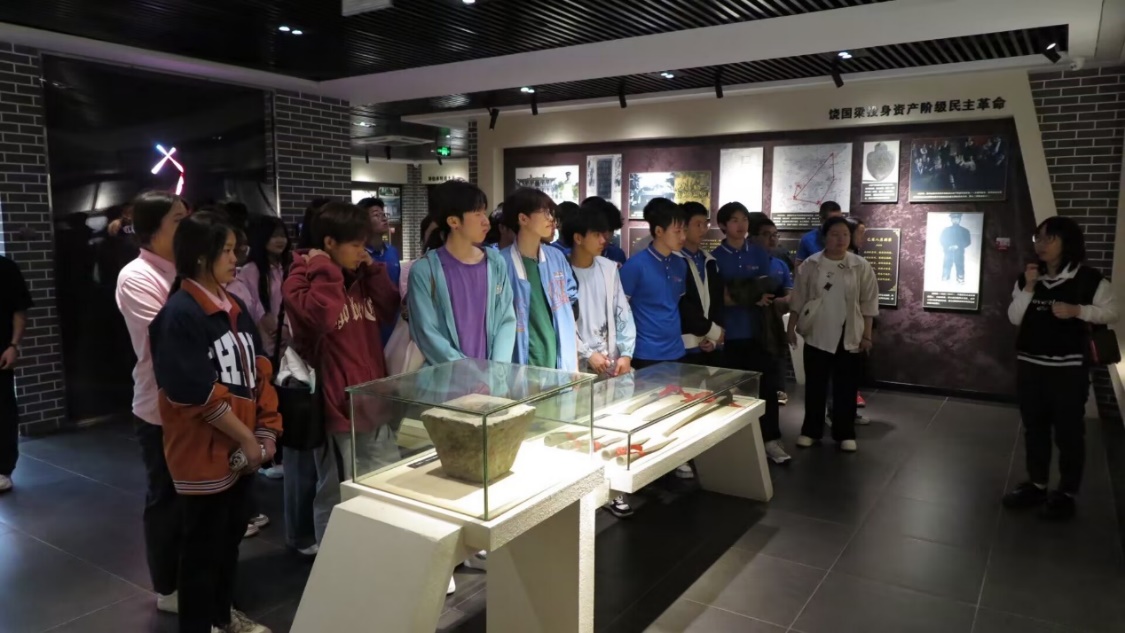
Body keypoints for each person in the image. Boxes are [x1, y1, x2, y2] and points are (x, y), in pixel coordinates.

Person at [150, 211, 281, 633]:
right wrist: (248, 438)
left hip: (239, 451)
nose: (234, 259)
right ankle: (200, 624)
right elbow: (193, 392)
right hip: (202, 454)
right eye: (226, 251)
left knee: (228, 543)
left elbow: (260, 373)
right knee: (202, 550)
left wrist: (265, 431)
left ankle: (222, 618)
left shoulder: (234, 306)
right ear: (201, 256)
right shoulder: (179, 314)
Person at [282, 201, 400, 548]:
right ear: (329, 243)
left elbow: (389, 308)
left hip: (372, 397)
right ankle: (331, 562)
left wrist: (373, 271)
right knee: (336, 489)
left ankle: (378, 549)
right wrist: (323, 268)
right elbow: (321, 317)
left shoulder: (360, 273)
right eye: (355, 244)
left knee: (383, 478)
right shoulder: (300, 277)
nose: (362, 252)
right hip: (334, 403)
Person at [1004, 216, 1118, 521]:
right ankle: (1037, 484)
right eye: (1038, 238)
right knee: (1034, 428)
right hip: (1030, 366)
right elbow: (1014, 317)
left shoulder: (1089, 279)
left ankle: (1066, 492)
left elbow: (1113, 311)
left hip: (1069, 369)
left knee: (1069, 432)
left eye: (1049, 238)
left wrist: (1078, 311)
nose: (1041, 245)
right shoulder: (1028, 277)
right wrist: (1029, 287)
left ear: (1067, 242)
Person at [115, 190, 189, 614]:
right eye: (178, 220)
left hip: (198, 403)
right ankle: (169, 587)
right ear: (151, 229)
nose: (187, 227)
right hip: (160, 407)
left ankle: (198, 574)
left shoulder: (189, 269)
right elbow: (167, 341)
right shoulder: (136, 276)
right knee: (166, 498)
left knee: (197, 497)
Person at [787, 216, 879, 453]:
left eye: (845, 234)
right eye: (835, 234)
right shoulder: (811, 264)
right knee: (815, 386)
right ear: (824, 237)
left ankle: (845, 433)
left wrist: (867, 335)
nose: (841, 239)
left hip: (849, 334)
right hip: (817, 333)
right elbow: (798, 298)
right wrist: (791, 328)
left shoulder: (860, 265)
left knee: (846, 387)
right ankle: (811, 431)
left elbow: (869, 303)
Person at [408, 181, 516, 366]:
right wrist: (468, 371)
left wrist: (497, 369)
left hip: (490, 377)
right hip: (445, 379)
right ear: (453, 221)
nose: (486, 221)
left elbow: (506, 320)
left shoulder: (495, 262)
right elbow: (427, 333)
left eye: (484, 212)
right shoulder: (424, 271)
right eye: (477, 214)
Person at [711, 204, 788, 464]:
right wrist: (748, 293)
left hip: (758, 332)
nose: (741, 225)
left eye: (744, 219)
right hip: (727, 335)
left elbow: (767, 289)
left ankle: (770, 440)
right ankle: (731, 444)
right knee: (728, 391)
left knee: (766, 388)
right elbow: (719, 297)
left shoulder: (757, 252)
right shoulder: (714, 257)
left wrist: (739, 292)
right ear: (723, 225)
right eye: (734, 220)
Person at [501, 187, 579, 371]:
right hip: (522, 360)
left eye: (551, 213)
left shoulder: (556, 257)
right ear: (523, 219)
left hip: (558, 358)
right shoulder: (501, 263)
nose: (551, 219)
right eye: (544, 213)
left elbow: (571, 298)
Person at [563, 205, 635, 377]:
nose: (603, 240)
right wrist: (586, 353)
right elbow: (560, 322)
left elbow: (623, 312)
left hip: (609, 363)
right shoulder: (560, 271)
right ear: (578, 238)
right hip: (575, 364)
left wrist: (626, 354)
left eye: (604, 234)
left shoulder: (609, 268)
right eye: (596, 235)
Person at [620, 198, 688, 369]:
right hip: (645, 353)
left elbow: (676, 303)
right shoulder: (635, 266)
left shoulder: (680, 264)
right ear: (659, 231)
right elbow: (620, 311)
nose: (683, 237)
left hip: (677, 350)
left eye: (684, 230)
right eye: (677, 231)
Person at [678, 202, 724, 367]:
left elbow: (717, 301)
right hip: (683, 343)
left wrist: (713, 338)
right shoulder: (676, 261)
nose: (703, 230)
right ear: (683, 227)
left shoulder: (709, 261)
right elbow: (683, 304)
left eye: (705, 224)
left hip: (709, 343)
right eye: (698, 224)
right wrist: (712, 330)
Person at [0, 255, 31, 494]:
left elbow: (19, 310)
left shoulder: (5, 267)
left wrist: (13, 345)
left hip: (0, 351)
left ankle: (3, 469)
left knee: (3, 409)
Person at [360, 197, 401, 288]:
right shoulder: (359, 254)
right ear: (364, 221)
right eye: (376, 215)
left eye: (384, 214)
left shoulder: (392, 251)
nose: (384, 219)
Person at [795, 200, 844, 266]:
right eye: (832, 221)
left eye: (840, 219)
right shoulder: (807, 239)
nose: (837, 224)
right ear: (821, 220)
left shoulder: (846, 238)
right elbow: (799, 266)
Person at [581, 196, 627, 265]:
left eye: (611, 230)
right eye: (600, 230)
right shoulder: (568, 257)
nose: (606, 237)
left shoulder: (617, 254)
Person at [941, 212, 970, 284]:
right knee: (947, 266)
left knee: (960, 266)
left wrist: (958, 246)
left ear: (960, 219)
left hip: (959, 252)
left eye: (957, 219)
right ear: (951, 220)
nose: (955, 220)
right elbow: (942, 240)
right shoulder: (946, 230)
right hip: (948, 252)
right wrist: (948, 246)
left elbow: (967, 241)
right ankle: (945, 280)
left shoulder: (965, 231)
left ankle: (960, 280)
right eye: (954, 219)